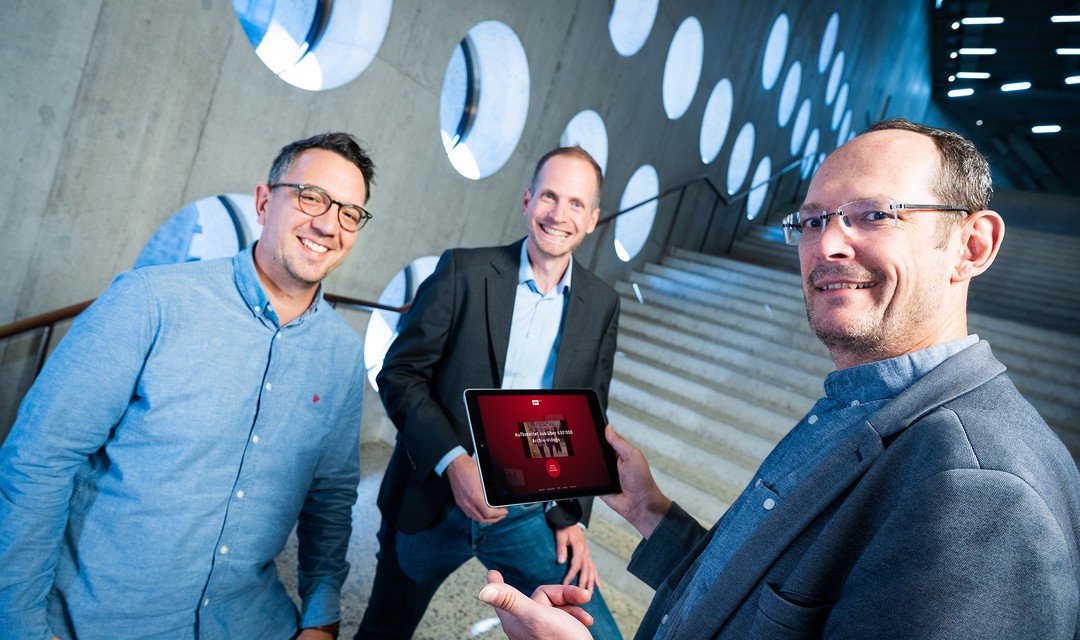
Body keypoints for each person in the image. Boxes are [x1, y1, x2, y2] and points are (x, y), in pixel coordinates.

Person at [478, 119, 1080, 639]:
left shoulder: (985, 491)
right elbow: (758, 593)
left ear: (972, 245)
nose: (829, 245)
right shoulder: (863, 398)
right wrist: (650, 510)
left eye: (875, 214)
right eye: (814, 220)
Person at [0, 132, 376, 639]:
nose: (329, 224)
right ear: (265, 202)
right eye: (312, 197)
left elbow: (329, 496)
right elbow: (38, 460)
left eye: (350, 213)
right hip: (101, 622)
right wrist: (18, 625)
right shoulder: (147, 302)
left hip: (248, 623)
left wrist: (321, 615)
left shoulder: (343, 355)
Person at [356, 147, 623, 639]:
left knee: (598, 635)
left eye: (576, 204)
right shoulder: (464, 272)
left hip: (524, 514)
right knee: (382, 633)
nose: (559, 214)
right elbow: (400, 372)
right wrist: (454, 463)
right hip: (432, 497)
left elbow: (589, 413)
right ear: (527, 201)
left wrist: (573, 518)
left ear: (592, 219)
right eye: (549, 196)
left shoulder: (602, 303)